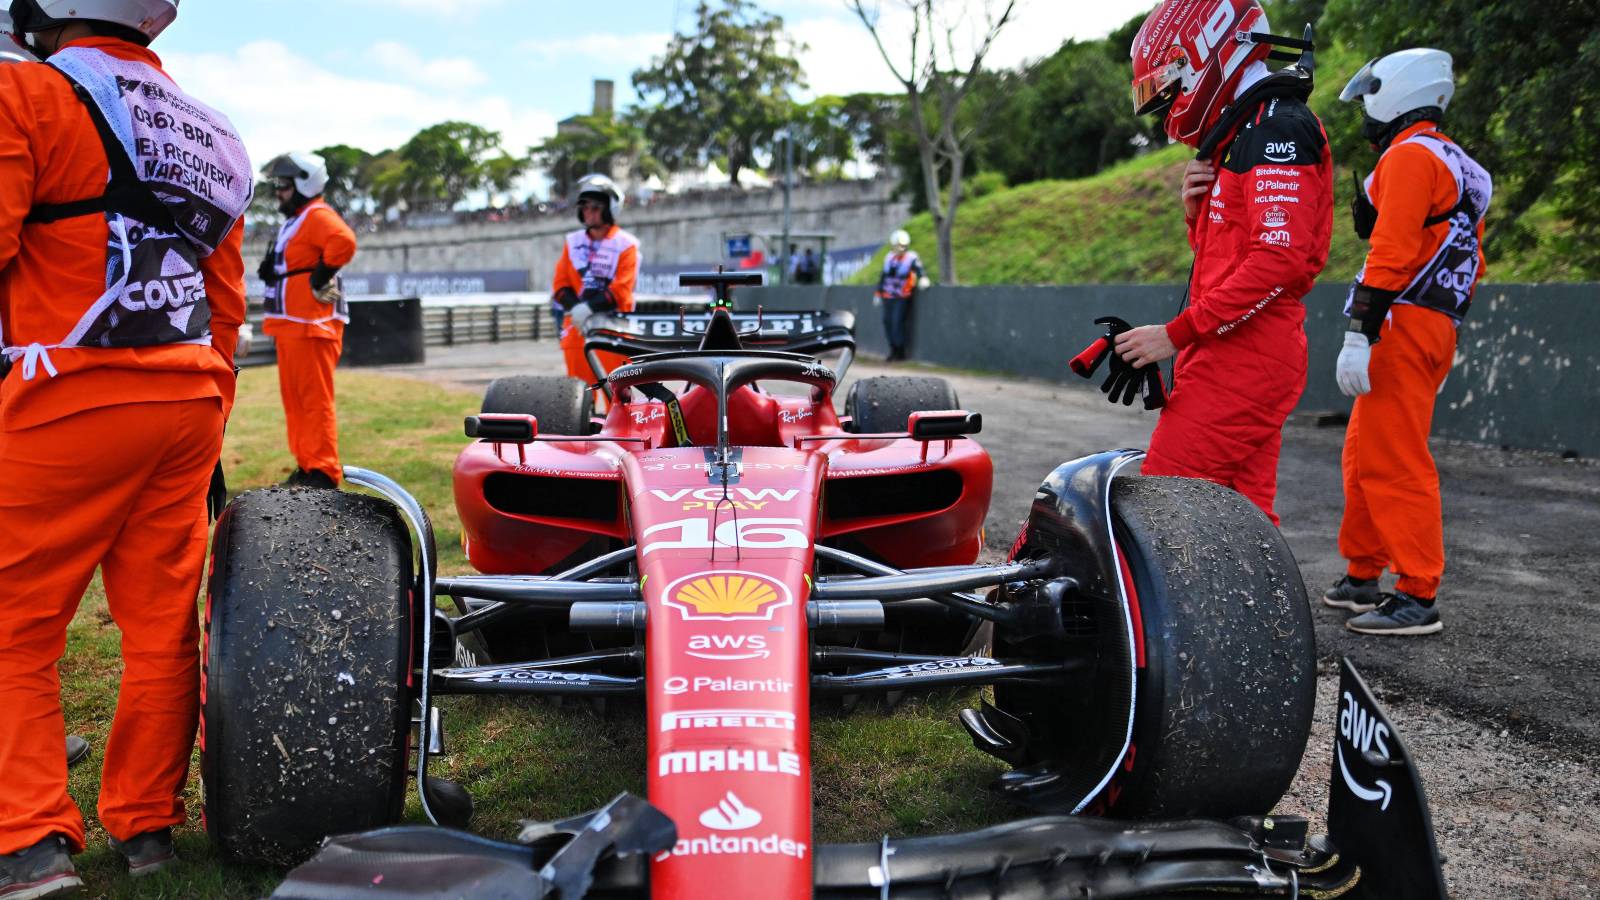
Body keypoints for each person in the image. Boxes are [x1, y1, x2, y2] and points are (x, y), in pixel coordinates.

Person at [0, 0, 253, 890]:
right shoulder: (209, 129)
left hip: (64, 393)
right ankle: (146, 832)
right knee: (158, 627)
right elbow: (225, 297)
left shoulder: (21, 92)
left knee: (12, 630)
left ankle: (27, 841)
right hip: (188, 397)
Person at [1114, 0, 1332, 526]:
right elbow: (1234, 260)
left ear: (1206, 53)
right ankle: (1260, 612)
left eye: (1169, 93)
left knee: (1166, 512)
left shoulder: (1276, 127)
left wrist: (1176, 333)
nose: (1169, 114)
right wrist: (1197, 216)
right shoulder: (1248, 128)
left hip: (1245, 355)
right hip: (1239, 348)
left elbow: (1277, 262)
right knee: (1241, 523)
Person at [1323, 49, 1490, 636]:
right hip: (1434, 322)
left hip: (1404, 320)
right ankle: (1363, 573)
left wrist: (1360, 331)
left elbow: (1389, 252)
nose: (1366, 110)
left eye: (1371, 95)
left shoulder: (1411, 158)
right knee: (1364, 454)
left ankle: (1417, 593)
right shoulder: (1459, 163)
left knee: (1394, 461)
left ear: (1396, 92)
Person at [258, 150, 357, 489]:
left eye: (284, 186)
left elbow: (343, 242)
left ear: (304, 183)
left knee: (314, 400)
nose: (279, 193)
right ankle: (307, 463)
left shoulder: (317, 214)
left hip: (312, 324)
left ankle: (324, 471)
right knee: (296, 400)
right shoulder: (297, 220)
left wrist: (319, 277)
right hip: (291, 323)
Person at [553, 173, 638, 390]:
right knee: (578, 396)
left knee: (620, 396)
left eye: (595, 207)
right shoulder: (572, 243)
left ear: (610, 208)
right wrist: (578, 310)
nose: (588, 212)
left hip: (614, 331)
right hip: (577, 330)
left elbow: (621, 291)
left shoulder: (626, 245)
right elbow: (560, 286)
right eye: (584, 207)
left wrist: (588, 308)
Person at [875, 229, 922, 362]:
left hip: (902, 295)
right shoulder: (889, 257)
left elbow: (919, 270)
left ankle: (900, 351)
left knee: (897, 322)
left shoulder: (911, 258)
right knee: (887, 322)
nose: (899, 248)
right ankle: (893, 349)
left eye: (902, 245)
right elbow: (883, 276)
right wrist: (878, 293)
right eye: (897, 245)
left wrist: (923, 278)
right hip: (887, 295)